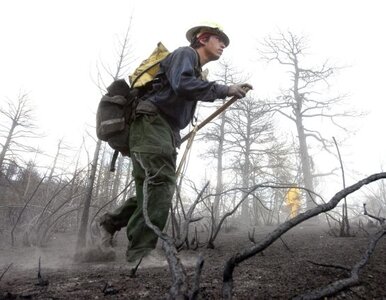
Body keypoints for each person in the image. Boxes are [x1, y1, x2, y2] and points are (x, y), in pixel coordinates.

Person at [97, 22, 253, 263]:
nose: (223, 45)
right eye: (219, 39)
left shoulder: (194, 67)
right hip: (152, 125)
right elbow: (183, 84)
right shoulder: (185, 54)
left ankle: (109, 224)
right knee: (160, 185)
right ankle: (140, 253)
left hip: (158, 129)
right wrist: (225, 89)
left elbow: (180, 91)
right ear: (202, 39)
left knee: (149, 188)